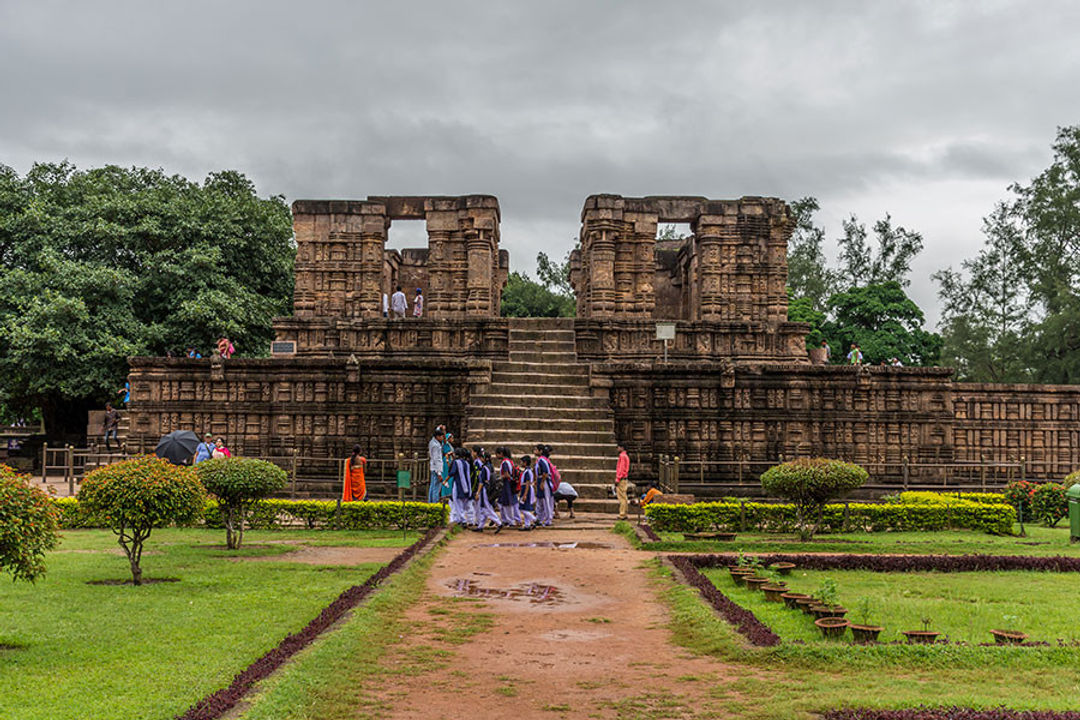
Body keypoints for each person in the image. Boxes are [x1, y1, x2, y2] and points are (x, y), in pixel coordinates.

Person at [471, 448, 502, 533]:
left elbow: (481, 482)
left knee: (485, 508)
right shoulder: (490, 466)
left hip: (484, 490)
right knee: (483, 508)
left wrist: (477, 492)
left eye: (481, 457)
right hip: (489, 489)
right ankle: (480, 526)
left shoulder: (484, 468)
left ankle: (498, 522)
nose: (480, 459)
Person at [447, 447, 473, 527]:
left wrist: (448, 461)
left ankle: (462, 520)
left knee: (457, 503)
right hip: (467, 486)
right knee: (464, 504)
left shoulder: (456, 462)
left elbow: (452, 472)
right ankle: (463, 519)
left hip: (458, 485)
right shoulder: (466, 463)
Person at [496, 446, 520, 527]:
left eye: (497, 454)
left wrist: (499, 478)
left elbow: (506, 474)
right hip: (510, 483)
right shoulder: (510, 461)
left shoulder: (505, 462)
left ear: (501, 454)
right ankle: (506, 519)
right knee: (502, 502)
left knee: (506, 503)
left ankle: (509, 520)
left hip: (506, 483)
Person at [534, 444, 554, 527]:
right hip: (540, 480)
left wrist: (542, 482)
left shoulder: (542, 460)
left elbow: (545, 472)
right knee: (540, 500)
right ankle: (539, 518)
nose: (534, 451)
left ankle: (548, 519)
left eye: (536, 450)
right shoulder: (539, 460)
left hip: (544, 481)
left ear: (540, 451)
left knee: (546, 501)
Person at [517, 454, 537, 530]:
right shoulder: (527, 471)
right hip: (526, 489)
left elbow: (528, 483)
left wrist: (525, 494)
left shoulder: (528, 472)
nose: (521, 463)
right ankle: (527, 525)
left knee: (522, 508)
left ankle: (534, 520)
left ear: (525, 462)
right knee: (525, 508)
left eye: (522, 462)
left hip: (526, 490)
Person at [427, 427, 446, 503]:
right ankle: (434, 503)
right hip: (436, 469)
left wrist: (439, 428)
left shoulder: (432, 442)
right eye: (441, 436)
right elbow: (436, 459)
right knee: (436, 488)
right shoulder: (436, 445)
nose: (442, 438)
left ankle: (430, 502)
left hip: (433, 468)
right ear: (437, 437)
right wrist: (439, 473)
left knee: (432, 486)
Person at [614, 442, 630, 520]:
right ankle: (625, 513)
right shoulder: (626, 456)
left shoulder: (622, 456)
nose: (617, 449)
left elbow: (621, 469)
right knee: (624, 496)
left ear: (622, 448)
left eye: (618, 447)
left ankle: (622, 514)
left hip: (621, 479)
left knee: (622, 497)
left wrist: (617, 478)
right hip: (624, 478)